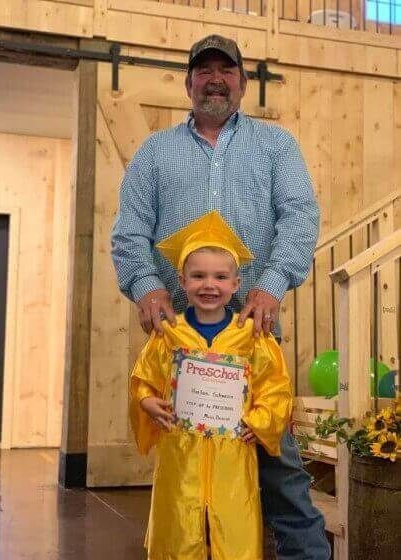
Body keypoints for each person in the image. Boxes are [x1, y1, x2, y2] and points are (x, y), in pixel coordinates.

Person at [112, 34, 331, 559]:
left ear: (242, 82)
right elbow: (128, 232)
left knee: (279, 466)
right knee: (187, 466)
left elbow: (299, 218)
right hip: (179, 332)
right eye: (204, 70)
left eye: (226, 70)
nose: (215, 79)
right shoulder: (154, 153)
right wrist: (146, 285)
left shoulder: (275, 146)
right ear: (189, 82)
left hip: (252, 327)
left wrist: (272, 284)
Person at [130, 211, 293, 559]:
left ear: (236, 284)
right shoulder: (169, 335)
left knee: (234, 526)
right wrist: (146, 402)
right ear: (182, 280)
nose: (209, 285)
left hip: (232, 456)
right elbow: (144, 379)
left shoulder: (250, 336)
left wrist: (261, 421)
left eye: (220, 277)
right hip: (181, 452)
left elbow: (275, 388)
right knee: (177, 526)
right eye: (198, 276)